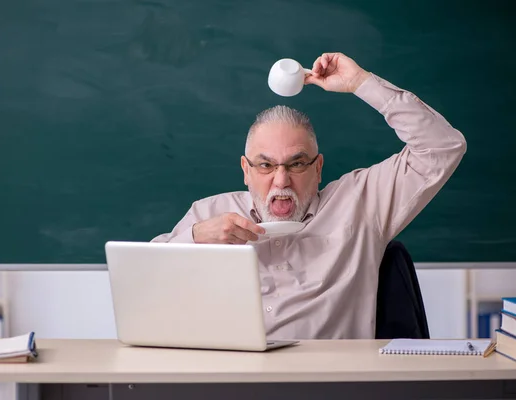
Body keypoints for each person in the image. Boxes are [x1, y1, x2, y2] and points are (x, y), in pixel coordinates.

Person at [151, 52, 466, 340]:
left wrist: (361, 83)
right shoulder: (211, 214)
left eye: (297, 163)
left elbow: (442, 147)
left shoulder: (360, 203)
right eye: (265, 165)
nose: (281, 179)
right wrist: (194, 236)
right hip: (232, 377)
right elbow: (144, 278)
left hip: (331, 381)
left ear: (318, 168)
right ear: (246, 170)